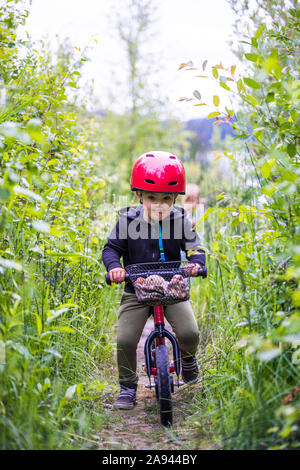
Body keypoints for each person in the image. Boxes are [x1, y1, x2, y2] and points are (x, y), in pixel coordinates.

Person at [102, 151, 206, 410]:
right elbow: (111, 249)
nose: (159, 204)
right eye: (151, 198)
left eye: (166, 198)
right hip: (136, 289)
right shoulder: (127, 220)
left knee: (190, 332)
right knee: (125, 339)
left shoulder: (180, 219)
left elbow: (195, 247)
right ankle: (127, 386)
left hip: (173, 288)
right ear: (138, 194)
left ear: (175, 197)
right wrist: (114, 267)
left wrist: (197, 263)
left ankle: (189, 360)